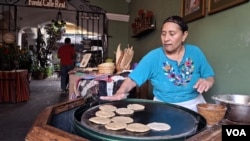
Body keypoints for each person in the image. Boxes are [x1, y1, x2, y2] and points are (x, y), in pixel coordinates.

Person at [100, 15, 215, 112]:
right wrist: (120, 92)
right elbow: (132, 79)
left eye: (172, 33)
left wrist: (207, 82)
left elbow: (209, 76)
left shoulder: (195, 52)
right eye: (163, 34)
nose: (166, 38)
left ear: (184, 35)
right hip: (164, 107)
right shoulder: (153, 57)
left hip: (195, 105)